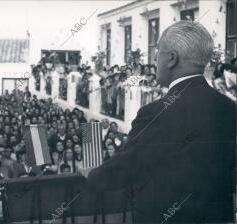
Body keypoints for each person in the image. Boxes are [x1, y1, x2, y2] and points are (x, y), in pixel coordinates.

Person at [86, 21, 236, 222]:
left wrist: (91, 176)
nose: (154, 60)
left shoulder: (155, 112)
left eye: (157, 53)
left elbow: (125, 167)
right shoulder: (229, 107)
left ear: (172, 58)